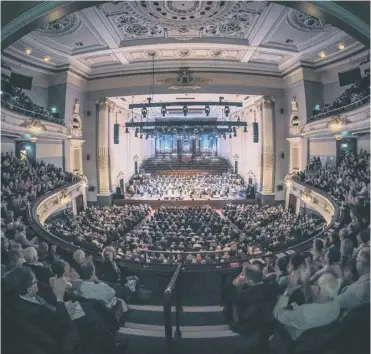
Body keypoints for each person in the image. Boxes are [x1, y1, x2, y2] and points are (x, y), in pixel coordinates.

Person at [336, 247, 370, 313]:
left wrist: (342, 282)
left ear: (361, 264)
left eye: (357, 261)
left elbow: (335, 304)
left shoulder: (354, 290)